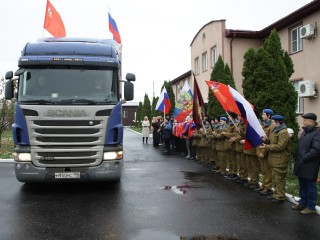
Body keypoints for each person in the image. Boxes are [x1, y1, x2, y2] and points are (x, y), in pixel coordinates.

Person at [292, 113, 320, 214]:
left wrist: (304, 157)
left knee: (310, 187)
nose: (303, 122)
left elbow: (316, 150)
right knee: (302, 185)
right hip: (301, 164)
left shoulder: (317, 134)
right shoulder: (305, 132)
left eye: (305, 120)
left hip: (309, 165)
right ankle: (302, 203)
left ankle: (311, 207)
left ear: (311, 122)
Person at [261, 114, 291, 203]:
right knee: (275, 177)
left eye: (273, 122)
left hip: (280, 159)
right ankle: (276, 194)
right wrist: (265, 139)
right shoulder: (275, 130)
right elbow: (271, 141)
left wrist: (267, 147)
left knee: (279, 178)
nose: (272, 123)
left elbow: (280, 146)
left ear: (278, 122)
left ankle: (280, 196)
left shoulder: (283, 132)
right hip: (274, 159)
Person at [256, 109, 274, 195]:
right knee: (263, 170)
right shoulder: (263, 125)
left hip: (265, 151)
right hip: (259, 149)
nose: (262, 116)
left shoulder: (271, 126)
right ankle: (264, 185)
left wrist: (263, 152)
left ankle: (268, 187)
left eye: (264, 114)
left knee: (267, 170)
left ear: (269, 116)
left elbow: (269, 141)